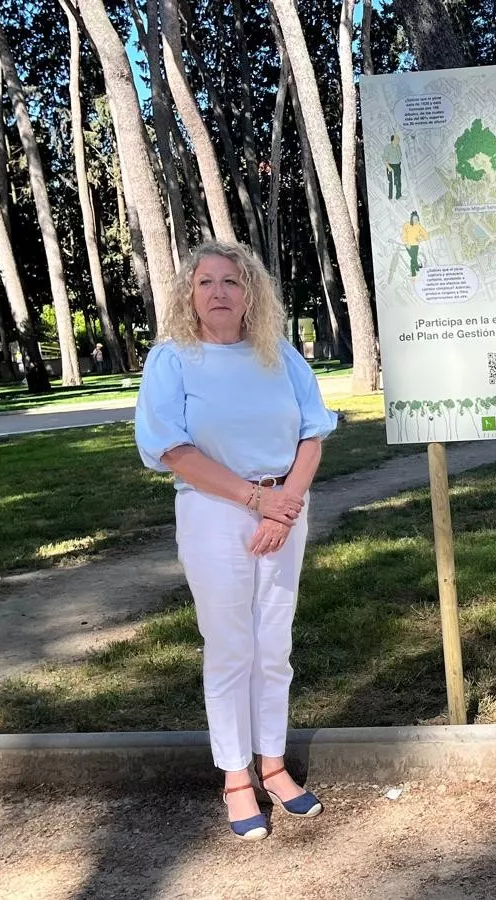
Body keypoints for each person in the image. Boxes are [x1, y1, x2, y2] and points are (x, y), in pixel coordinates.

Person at [134, 240, 337, 841]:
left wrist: (283, 507)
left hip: (285, 509)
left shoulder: (281, 357)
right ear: (188, 295)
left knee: (274, 644)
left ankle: (273, 764)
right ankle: (236, 775)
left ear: (251, 292)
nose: (219, 292)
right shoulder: (172, 360)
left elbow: (313, 433)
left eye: (231, 281)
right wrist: (255, 501)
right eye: (206, 283)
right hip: (216, 514)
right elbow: (171, 449)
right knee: (230, 647)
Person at [402, 211, 429, 278]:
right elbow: (403, 234)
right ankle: (416, 270)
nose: (415, 220)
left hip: (416, 246)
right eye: (414, 219)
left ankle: (415, 271)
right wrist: (406, 243)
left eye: (417, 219)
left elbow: (426, 236)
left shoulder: (419, 227)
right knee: (414, 258)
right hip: (408, 245)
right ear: (411, 219)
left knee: (413, 259)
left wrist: (421, 239)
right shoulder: (406, 225)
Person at [384, 133, 403, 200]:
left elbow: (400, 155)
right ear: (393, 140)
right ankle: (390, 197)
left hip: (397, 166)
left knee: (398, 181)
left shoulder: (398, 146)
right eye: (397, 138)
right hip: (390, 167)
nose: (399, 139)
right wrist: (389, 167)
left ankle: (398, 196)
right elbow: (384, 159)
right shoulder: (388, 147)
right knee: (391, 182)